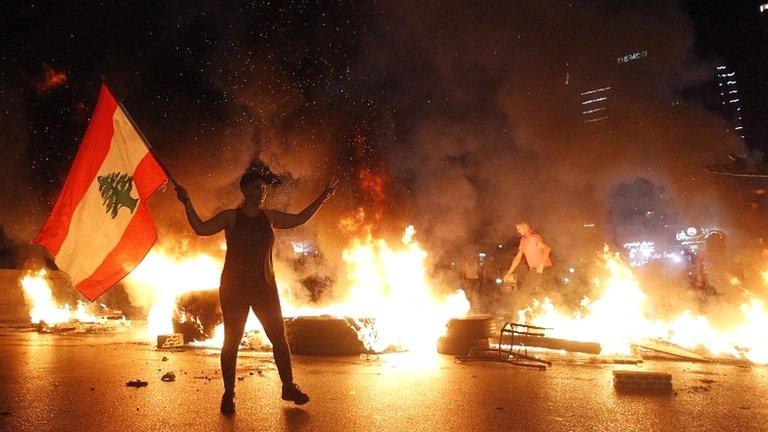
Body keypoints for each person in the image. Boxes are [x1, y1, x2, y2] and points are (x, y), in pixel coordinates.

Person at [175, 163, 338, 413]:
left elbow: (297, 219)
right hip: (234, 290)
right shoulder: (231, 217)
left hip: (265, 288)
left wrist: (322, 199)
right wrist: (187, 202)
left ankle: (288, 386)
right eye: (258, 187)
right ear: (245, 190)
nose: (263, 191)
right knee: (231, 342)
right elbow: (201, 228)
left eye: (264, 188)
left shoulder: (269, 217)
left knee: (279, 341)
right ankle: (228, 394)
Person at [503, 222, 553, 295]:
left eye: (519, 228)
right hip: (535, 269)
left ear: (526, 227)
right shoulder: (523, 241)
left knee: (524, 293)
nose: (518, 231)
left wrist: (541, 264)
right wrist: (509, 273)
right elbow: (517, 258)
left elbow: (547, 248)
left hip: (544, 269)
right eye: (517, 229)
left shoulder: (534, 238)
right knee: (550, 293)